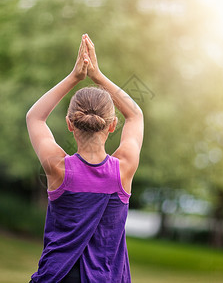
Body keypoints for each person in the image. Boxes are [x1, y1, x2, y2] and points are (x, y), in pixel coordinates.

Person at [26, 34, 143, 283]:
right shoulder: (123, 170)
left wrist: (75, 77)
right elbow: (135, 115)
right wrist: (97, 75)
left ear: (70, 124)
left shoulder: (58, 169)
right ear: (112, 126)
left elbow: (34, 117)